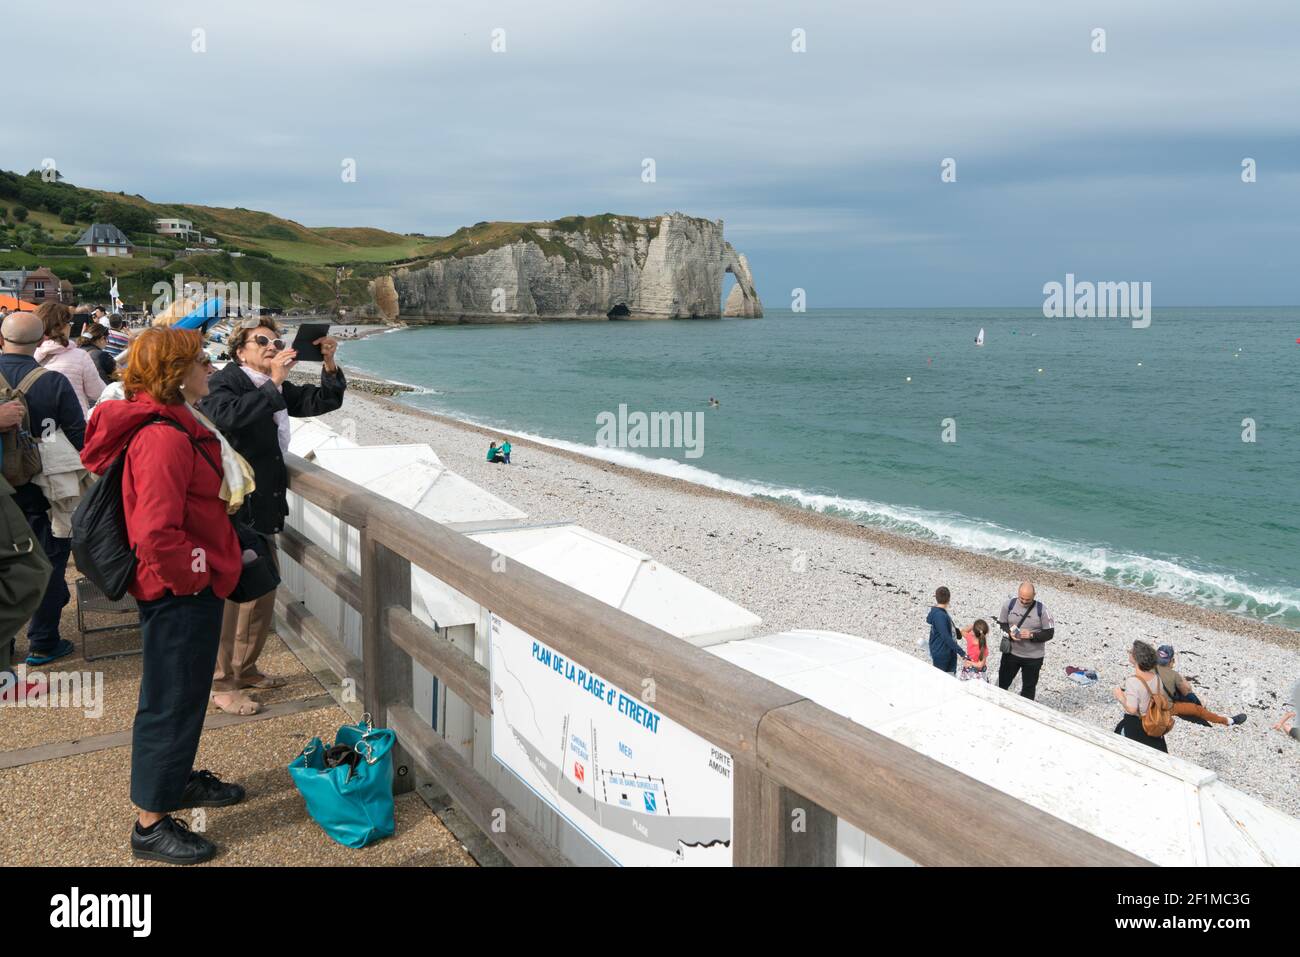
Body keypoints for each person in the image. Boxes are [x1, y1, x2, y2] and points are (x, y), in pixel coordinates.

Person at [80, 327, 245, 865]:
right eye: (201, 362)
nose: (210, 369)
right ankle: (150, 823)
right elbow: (154, 532)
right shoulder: (164, 436)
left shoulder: (170, 421)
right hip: (178, 590)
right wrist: (195, 573)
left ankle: (175, 782)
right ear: (175, 373)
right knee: (170, 699)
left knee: (184, 691)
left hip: (184, 585)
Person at [199, 320, 345, 715]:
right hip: (231, 505)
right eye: (261, 340)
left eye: (276, 341)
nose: (271, 346)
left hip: (262, 503)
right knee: (237, 597)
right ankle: (222, 684)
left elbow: (322, 403)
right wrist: (273, 383)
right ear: (239, 350)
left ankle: (244, 669)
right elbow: (227, 418)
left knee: (261, 592)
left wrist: (328, 365)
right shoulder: (224, 382)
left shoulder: (272, 384)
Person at [0, 311, 85, 666]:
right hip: (40, 487)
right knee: (46, 561)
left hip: (3, 490)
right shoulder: (52, 382)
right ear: (40, 342)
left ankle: (5, 646)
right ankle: (43, 640)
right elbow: (79, 434)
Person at [34, 302, 104, 414]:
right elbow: (98, 393)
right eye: (69, 323)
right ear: (63, 326)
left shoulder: (30, 355)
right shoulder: (79, 356)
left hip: (40, 425)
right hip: (74, 422)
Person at [1155, 645, 1246, 727]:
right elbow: (1187, 690)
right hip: (1166, 708)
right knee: (1197, 709)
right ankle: (1229, 721)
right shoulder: (1174, 675)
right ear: (1172, 661)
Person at [996, 581, 1055, 700]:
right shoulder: (1009, 605)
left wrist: (1031, 635)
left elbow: (1049, 633)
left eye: (1027, 599)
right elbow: (1002, 623)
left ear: (1034, 595)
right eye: (1021, 598)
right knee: (1002, 683)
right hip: (1011, 653)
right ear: (1018, 593)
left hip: (1033, 658)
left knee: (1028, 689)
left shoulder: (1042, 610)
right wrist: (1009, 633)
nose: (1024, 601)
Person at [1112, 640, 1171, 752]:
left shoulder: (1133, 681)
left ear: (1136, 658)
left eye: (1130, 651)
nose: (1129, 653)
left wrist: (1120, 696)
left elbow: (1132, 709)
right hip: (1153, 722)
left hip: (1137, 726)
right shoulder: (1157, 678)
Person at [925, 586, 968, 675]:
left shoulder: (939, 612)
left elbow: (948, 629)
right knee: (943, 679)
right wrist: (962, 653)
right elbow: (946, 636)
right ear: (949, 599)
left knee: (949, 677)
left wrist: (958, 634)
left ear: (936, 597)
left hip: (946, 651)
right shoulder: (940, 615)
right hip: (942, 653)